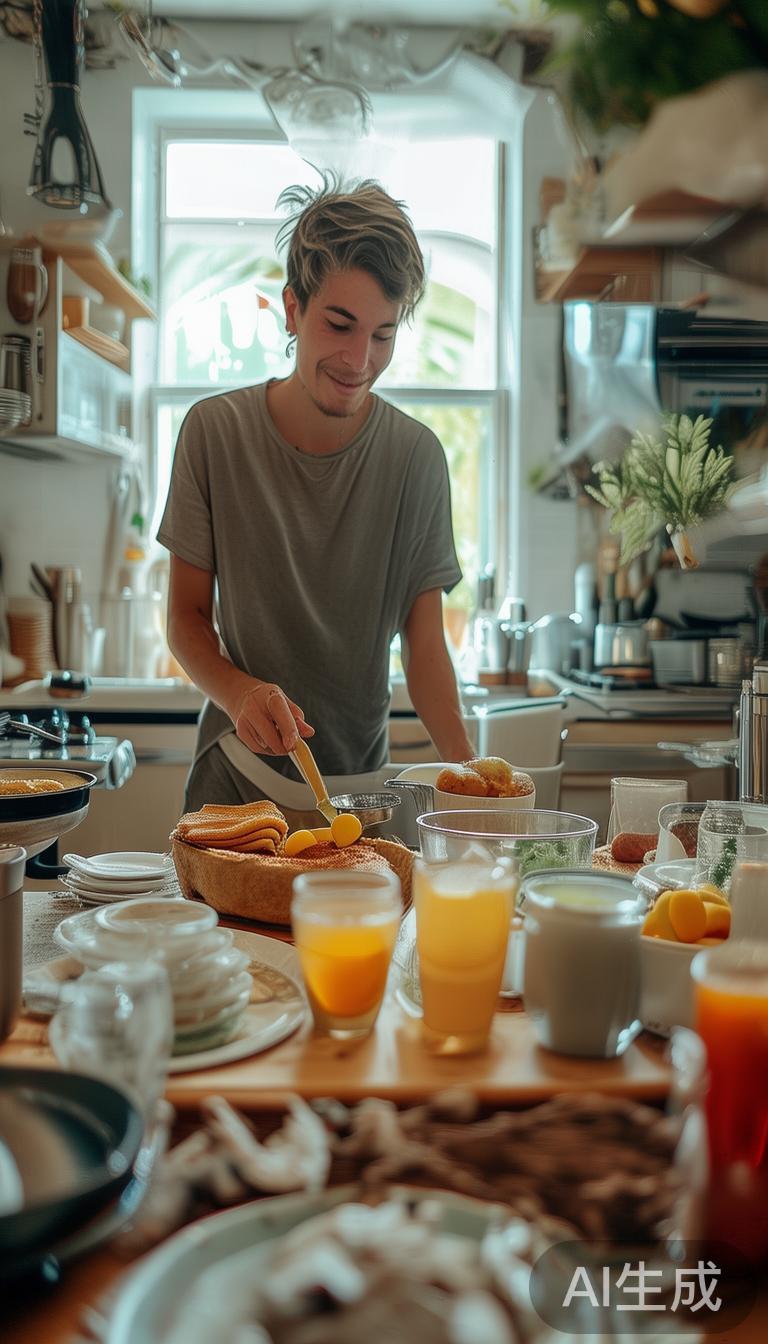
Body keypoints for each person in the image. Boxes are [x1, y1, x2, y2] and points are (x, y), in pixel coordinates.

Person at [158, 175, 475, 816]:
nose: (360, 360)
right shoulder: (212, 433)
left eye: (383, 335)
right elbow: (186, 618)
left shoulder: (415, 458)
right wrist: (241, 693)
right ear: (293, 308)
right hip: (236, 788)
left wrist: (474, 783)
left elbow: (424, 645)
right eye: (340, 324)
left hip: (364, 800)